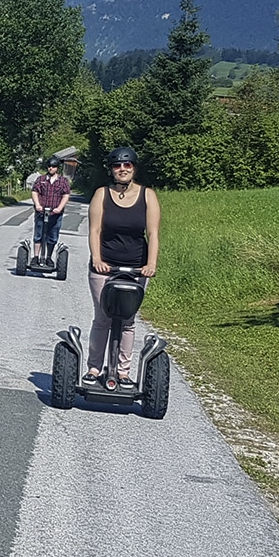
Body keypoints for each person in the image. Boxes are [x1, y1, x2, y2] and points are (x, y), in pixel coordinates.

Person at [85, 146, 160, 387]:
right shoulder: (101, 194)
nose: (122, 169)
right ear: (112, 170)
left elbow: (153, 233)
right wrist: (97, 259)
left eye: (127, 165)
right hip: (105, 265)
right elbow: (94, 230)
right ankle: (95, 368)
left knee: (127, 319)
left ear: (134, 168)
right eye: (117, 166)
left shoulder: (148, 195)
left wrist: (151, 264)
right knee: (103, 318)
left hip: (136, 268)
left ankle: (123, 371)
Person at [31, 157, 71, 263]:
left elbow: (66, 195)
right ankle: (35, 257)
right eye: (49, 166)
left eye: (53, 167)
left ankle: (48, 257)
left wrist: (59, 208)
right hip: (41, 212)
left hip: (55, 214)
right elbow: (35, 192)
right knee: (38, 235)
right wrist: (37, 205)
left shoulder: (63, 181)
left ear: (57, 168)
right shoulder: (41, 179)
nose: (51, 168)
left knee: (53, 236)